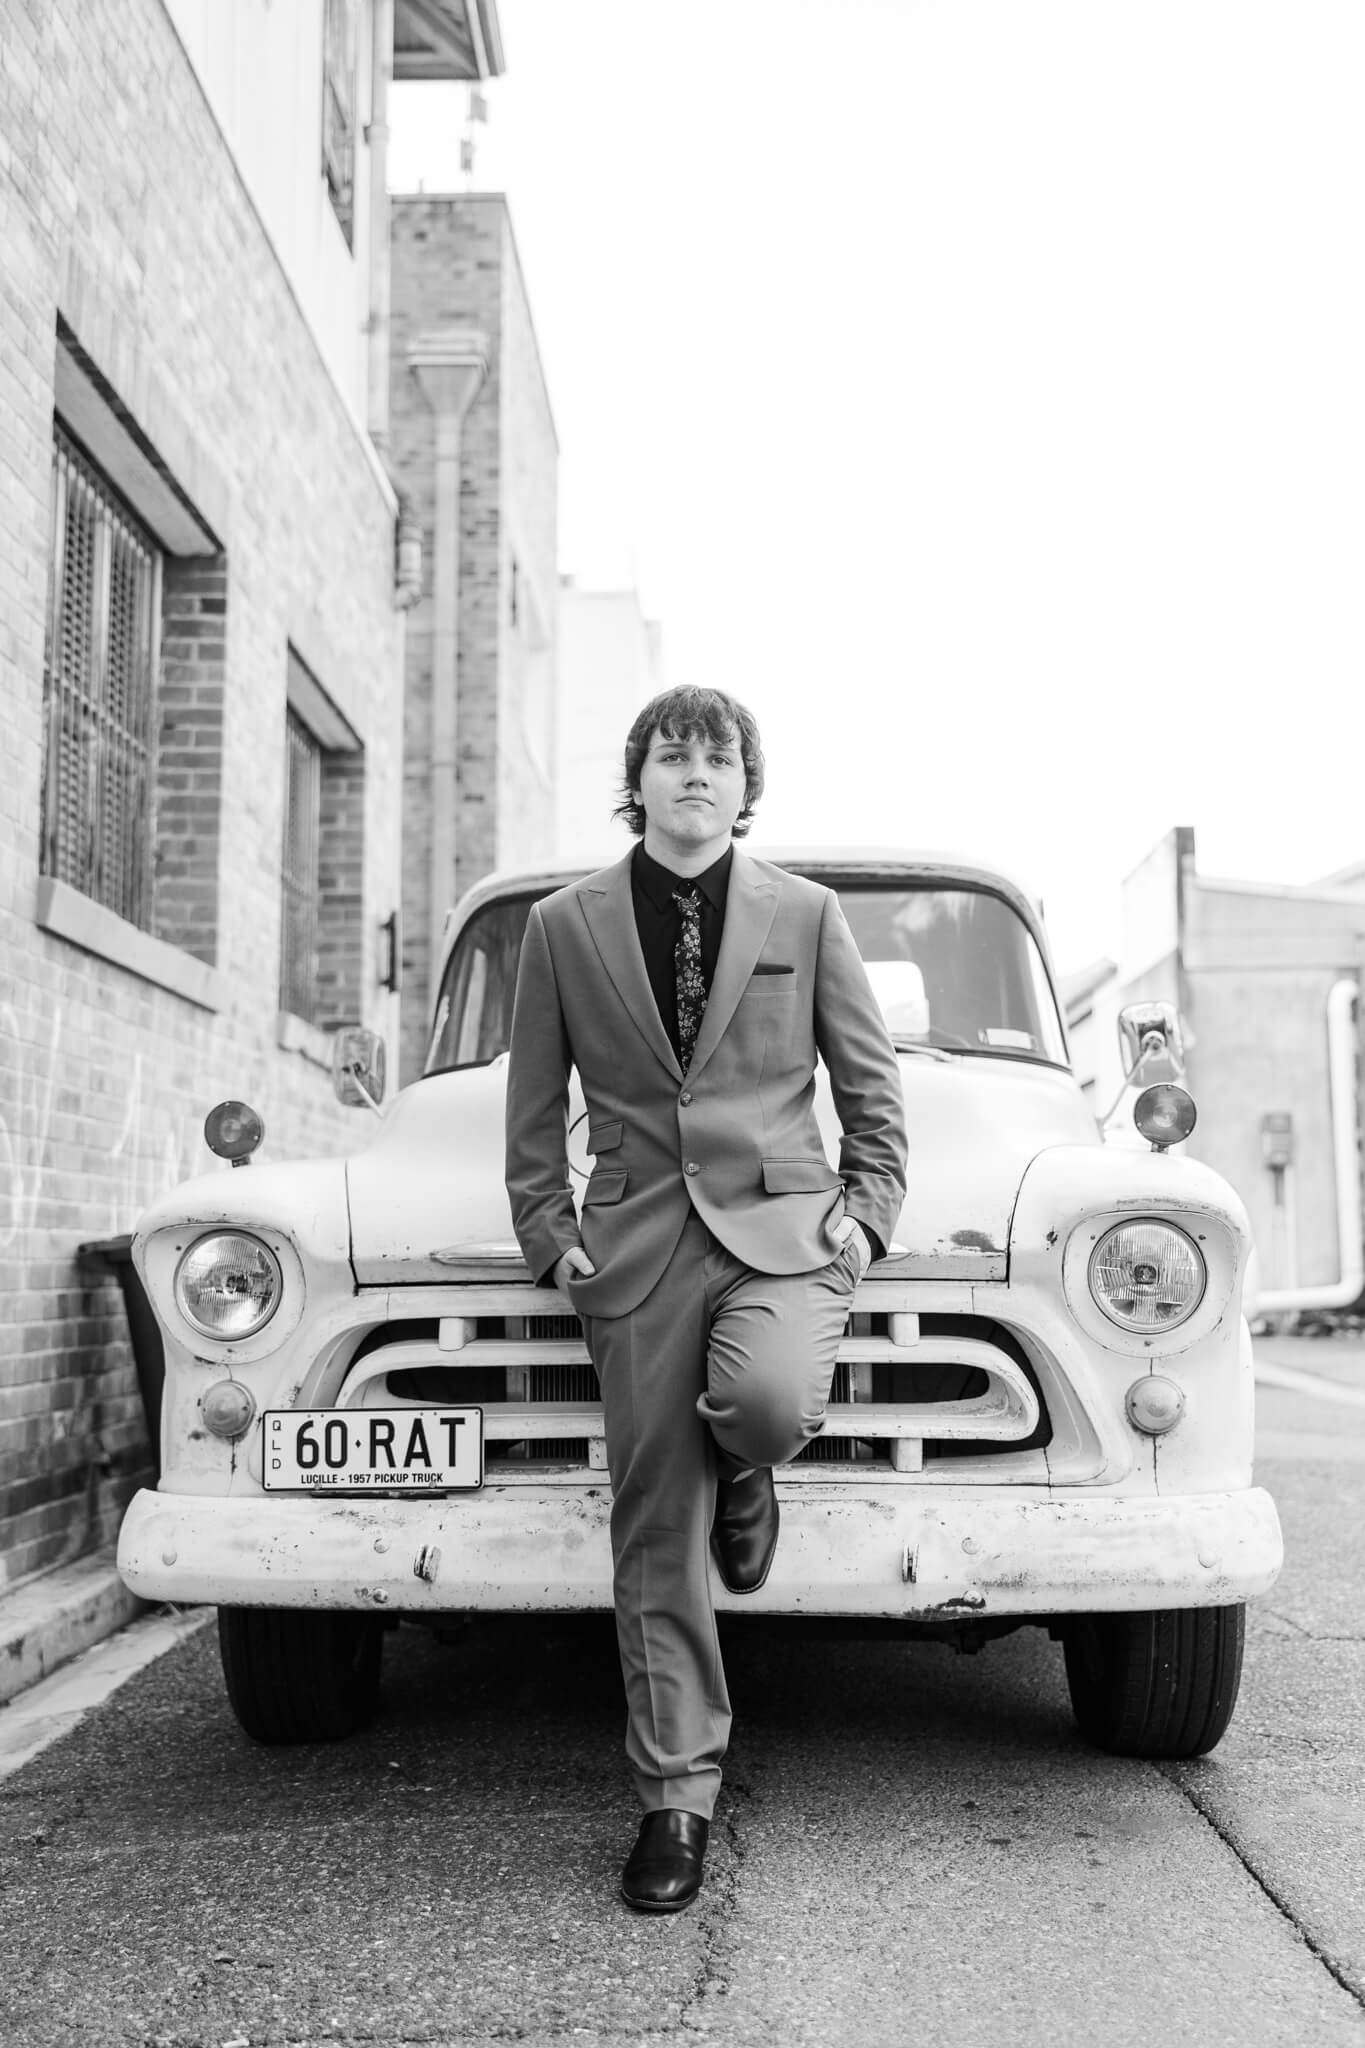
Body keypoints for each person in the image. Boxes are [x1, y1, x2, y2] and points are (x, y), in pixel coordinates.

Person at [504, 686, 908, 1912]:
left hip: (781, 1231)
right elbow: (532, 1106)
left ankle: (751, 1468)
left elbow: (870, 1086)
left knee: (769, 1402)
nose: (693, 773)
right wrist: (548, 1233)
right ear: (639, 778)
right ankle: (675, 1797)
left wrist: (868, 1206)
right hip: (633, 1247)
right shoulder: (564, 924)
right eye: (670, 755)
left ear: (745, 785)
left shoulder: (809, 912)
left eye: (716, 757)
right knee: (653, 1530)